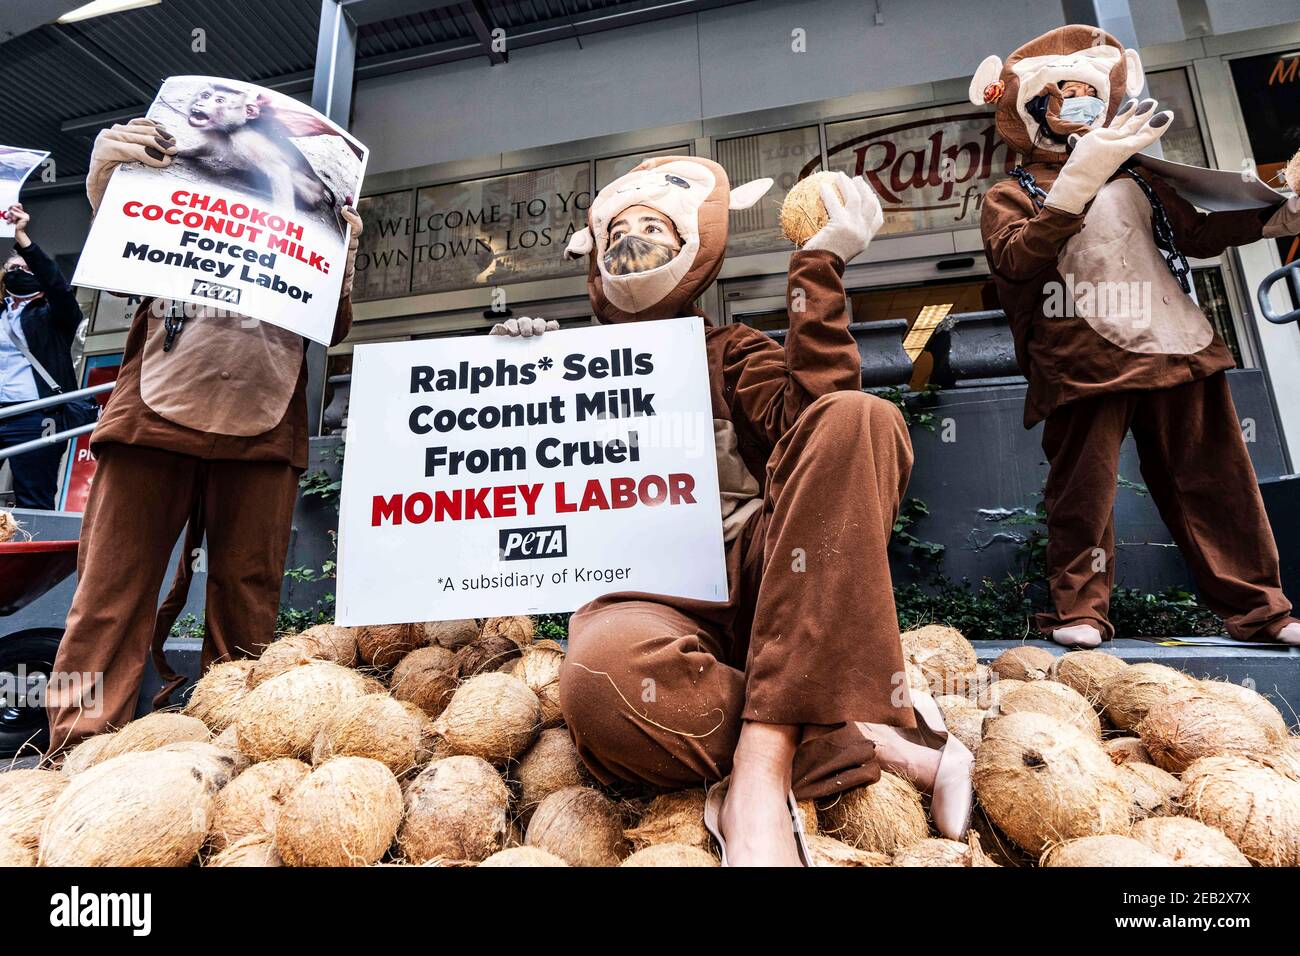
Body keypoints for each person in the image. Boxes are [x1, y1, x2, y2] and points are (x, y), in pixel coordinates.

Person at [493, 156, 974, 866]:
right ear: (593, 255)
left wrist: (819, 267)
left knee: (858, 419)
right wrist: (511, 378)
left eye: (652, 227)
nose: (633, 241)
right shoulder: (564, 360)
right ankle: (847, 731)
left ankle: (759, 766)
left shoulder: (731, 350)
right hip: (645, 598)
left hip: (769, 583)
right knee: (598, 683)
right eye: (617, 230)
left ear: (694, 248)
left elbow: (816, 425)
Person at [44, 118, 364, 755]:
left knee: (247, 606)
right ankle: (72, 760)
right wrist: (107, 180)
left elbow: (335, 326)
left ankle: (237, 763)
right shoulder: (183, 183)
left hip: (265, 422)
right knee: (108, 596)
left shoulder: (319, 212)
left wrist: (343, 263)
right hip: (152, 413)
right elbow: (119, 269)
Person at [974, 25, 1300, 648]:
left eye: (1087, 91)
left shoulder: (1143, 177)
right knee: (1082, 495)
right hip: (1081, 362)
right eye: (1063, 93)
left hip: (1178, 344)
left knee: (1217, 484)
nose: (1079, 102)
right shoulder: (1011, 193)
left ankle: (1263, 610)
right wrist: (1077, 181)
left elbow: (1201, 234)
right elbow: (1016, 260)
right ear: (1034, 109)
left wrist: (1285, 208)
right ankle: (1081, 613)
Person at [0, 203, 84, 509]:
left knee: (33, 499)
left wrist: (22, 236)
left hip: (37, 415)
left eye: (24, 268)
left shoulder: (55, 314)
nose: (17, 272)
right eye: (11, 269)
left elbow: (55, 285)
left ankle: (28, 556)